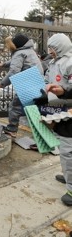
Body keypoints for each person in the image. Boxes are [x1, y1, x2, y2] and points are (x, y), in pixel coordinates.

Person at [0, 33, 44, 138]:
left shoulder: (19, 53)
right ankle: (43, 131)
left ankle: (11, 129)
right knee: (34, 107)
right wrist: (3, 64)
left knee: (15, 106)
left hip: (27, 83)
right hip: (37, 81)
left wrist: (1, 84)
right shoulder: (29, 51)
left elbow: (13, 72)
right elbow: (14, 62)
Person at [41, 33, 72, 205]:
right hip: (58, 110)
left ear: (61, 46)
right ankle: (68, 176)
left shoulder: (70, 62)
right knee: (64, 148)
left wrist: (62, 91)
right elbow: (47, 80)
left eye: (53, 47)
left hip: (69, 112)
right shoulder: (53, 63)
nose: (50, 51)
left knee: (69, 151)